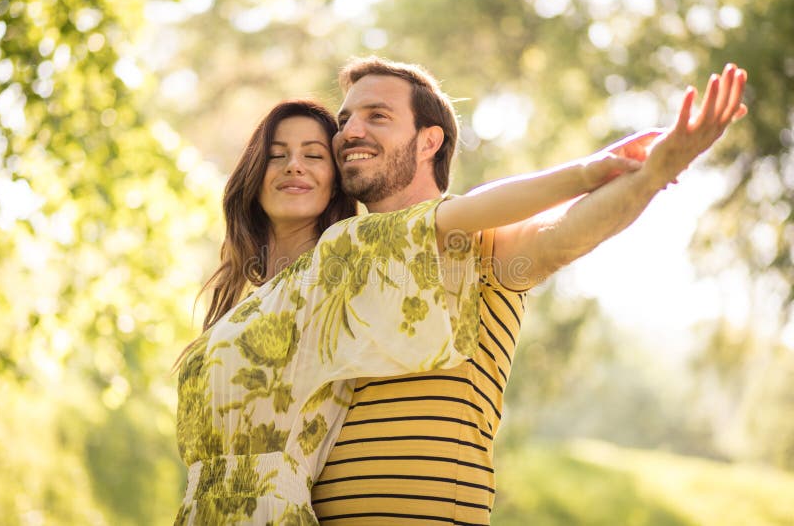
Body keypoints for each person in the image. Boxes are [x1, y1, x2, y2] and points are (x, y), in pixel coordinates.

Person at [173, 97, 651, 524]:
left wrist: (591, 172)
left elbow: (462, 213)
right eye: (276, 155)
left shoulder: (346, 255)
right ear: (253, 174)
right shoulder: (241, 304)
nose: (293, 166)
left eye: (314, 156)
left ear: (334, 185)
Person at [311, 58, 747, 525]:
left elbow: (567, 232)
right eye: (344, 120)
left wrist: (654, 174)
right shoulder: (334, 259)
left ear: (428, 141)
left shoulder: (478, 242)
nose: (349, 132)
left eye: (377, 115)